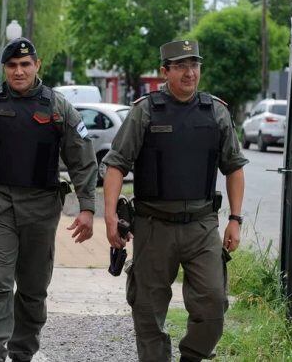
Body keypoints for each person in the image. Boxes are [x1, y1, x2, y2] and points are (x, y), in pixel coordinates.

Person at [0, 37, 97, 362]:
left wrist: (87, 207)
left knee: (32, 291)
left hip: (42, 211)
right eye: (12, 65)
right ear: (5, 68)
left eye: (25, 64)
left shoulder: (58, 107)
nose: (19, 71)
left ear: (37, 65)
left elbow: (82, 158)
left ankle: (22, 354)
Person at [102, 40, 247, 362]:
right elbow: (116, 164)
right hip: (154, 227)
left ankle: (192, 356)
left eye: (194, 65)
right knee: (148, 308)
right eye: (180, 66)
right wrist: (110, 216)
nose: (189, 72)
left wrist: (235, 220)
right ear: (164, 72)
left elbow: (234, 168)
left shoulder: (216, 112)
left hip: (201, 226)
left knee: (213, 302)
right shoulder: (146, 110)